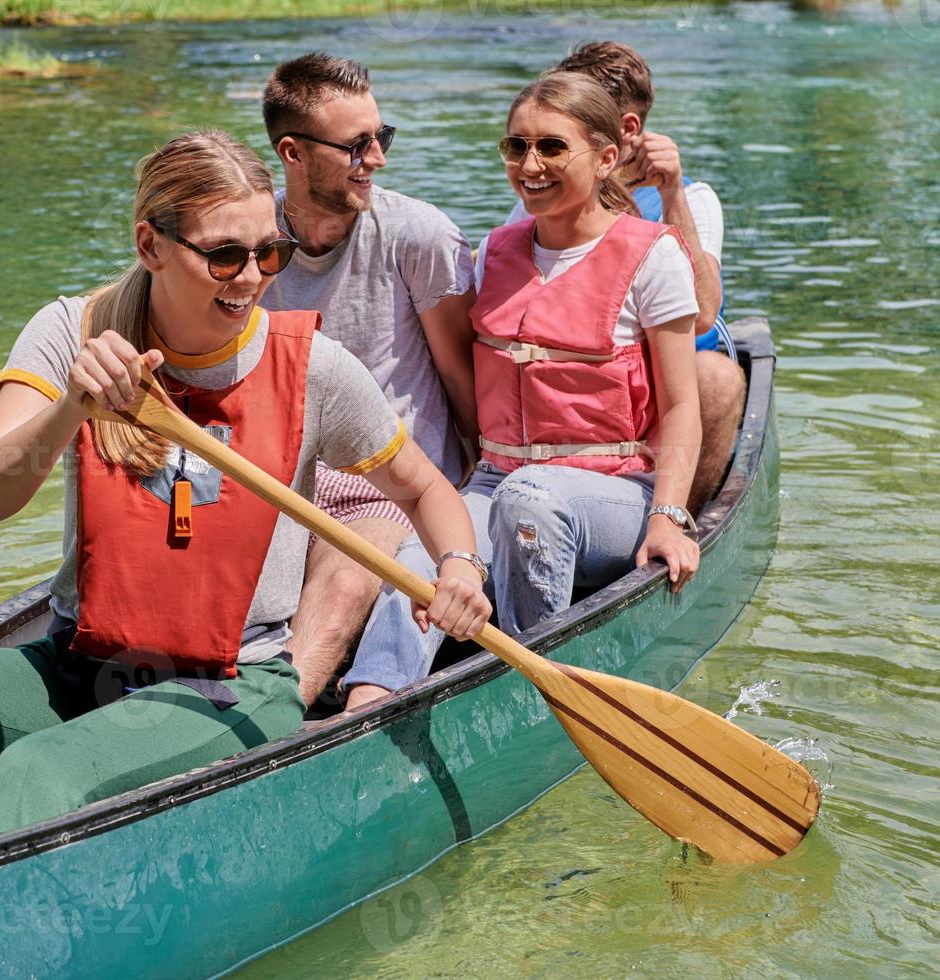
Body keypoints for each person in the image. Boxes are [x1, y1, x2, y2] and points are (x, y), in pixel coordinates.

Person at [0, 131, 490, 883]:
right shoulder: (73, 330)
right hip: (79, 671)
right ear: (149, 244)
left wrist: (460, 566)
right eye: (224, 255)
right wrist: (72, 408)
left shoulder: (315, 368)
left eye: (270, 253)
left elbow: (426, 489)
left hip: (232, 689)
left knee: (37, 774)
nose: (251, 277)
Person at [345, 73, 702, 705]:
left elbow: (679, 408)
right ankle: (364, 708)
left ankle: (526, 695)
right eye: (516, 147)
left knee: (530, 500)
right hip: (495, 479)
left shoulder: (654, 256)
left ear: (607, 156)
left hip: (615, 493)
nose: (529, 165)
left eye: (551, 148)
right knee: (421, 563)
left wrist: (668, 516)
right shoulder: (495, 251)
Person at [258, 53, 479, 711]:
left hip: (392, 481)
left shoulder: (420, 235)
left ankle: (271, 725)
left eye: (383, 137)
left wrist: (472, 500)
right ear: (292, 153)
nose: (377, 158)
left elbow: (459, 375)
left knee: (352, 569)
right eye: (357, 145)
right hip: (283, 478)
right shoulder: (244, 243)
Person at [508, 42, 746, 514]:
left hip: (666, 379)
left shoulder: (693, 199)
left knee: (716, 378)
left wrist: (671, 192)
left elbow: (702, 316)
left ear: (627, 129)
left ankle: (676, 519)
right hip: (588, 373)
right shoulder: (543, 193)